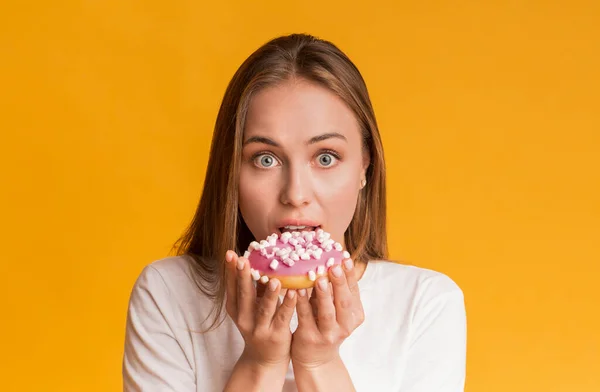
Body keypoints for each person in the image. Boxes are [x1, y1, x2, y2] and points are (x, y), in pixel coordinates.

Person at [122, 33, 466, 392]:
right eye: (265, 159)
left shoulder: (425, 305)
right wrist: (260, 362)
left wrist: (319, 362)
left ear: (365, 166)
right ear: (232, 173)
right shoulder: (169, 293)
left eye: (326, 158)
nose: (295, 194)